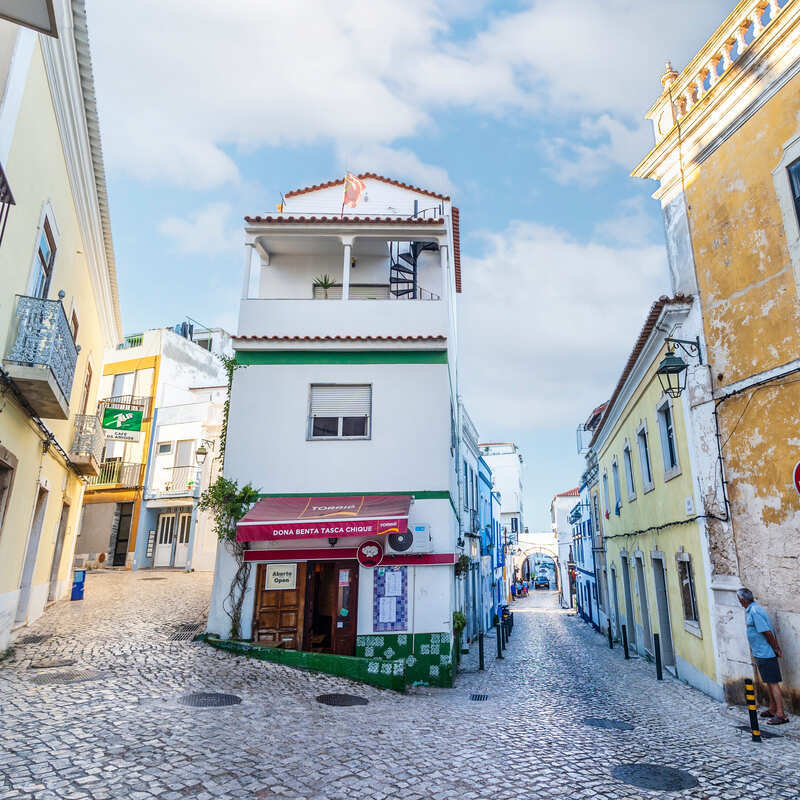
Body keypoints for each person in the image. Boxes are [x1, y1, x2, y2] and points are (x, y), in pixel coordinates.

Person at [737, 588, 789, 725]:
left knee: (773, 683)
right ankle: (772, 709)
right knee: (768, 681)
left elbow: (767, 632)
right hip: (760, 653)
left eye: (739, 599)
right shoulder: (752, 610)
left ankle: (781, 714)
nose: (739, 602)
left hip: (766, 653)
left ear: (743, 599)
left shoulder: (754, 611)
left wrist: (776, 648)